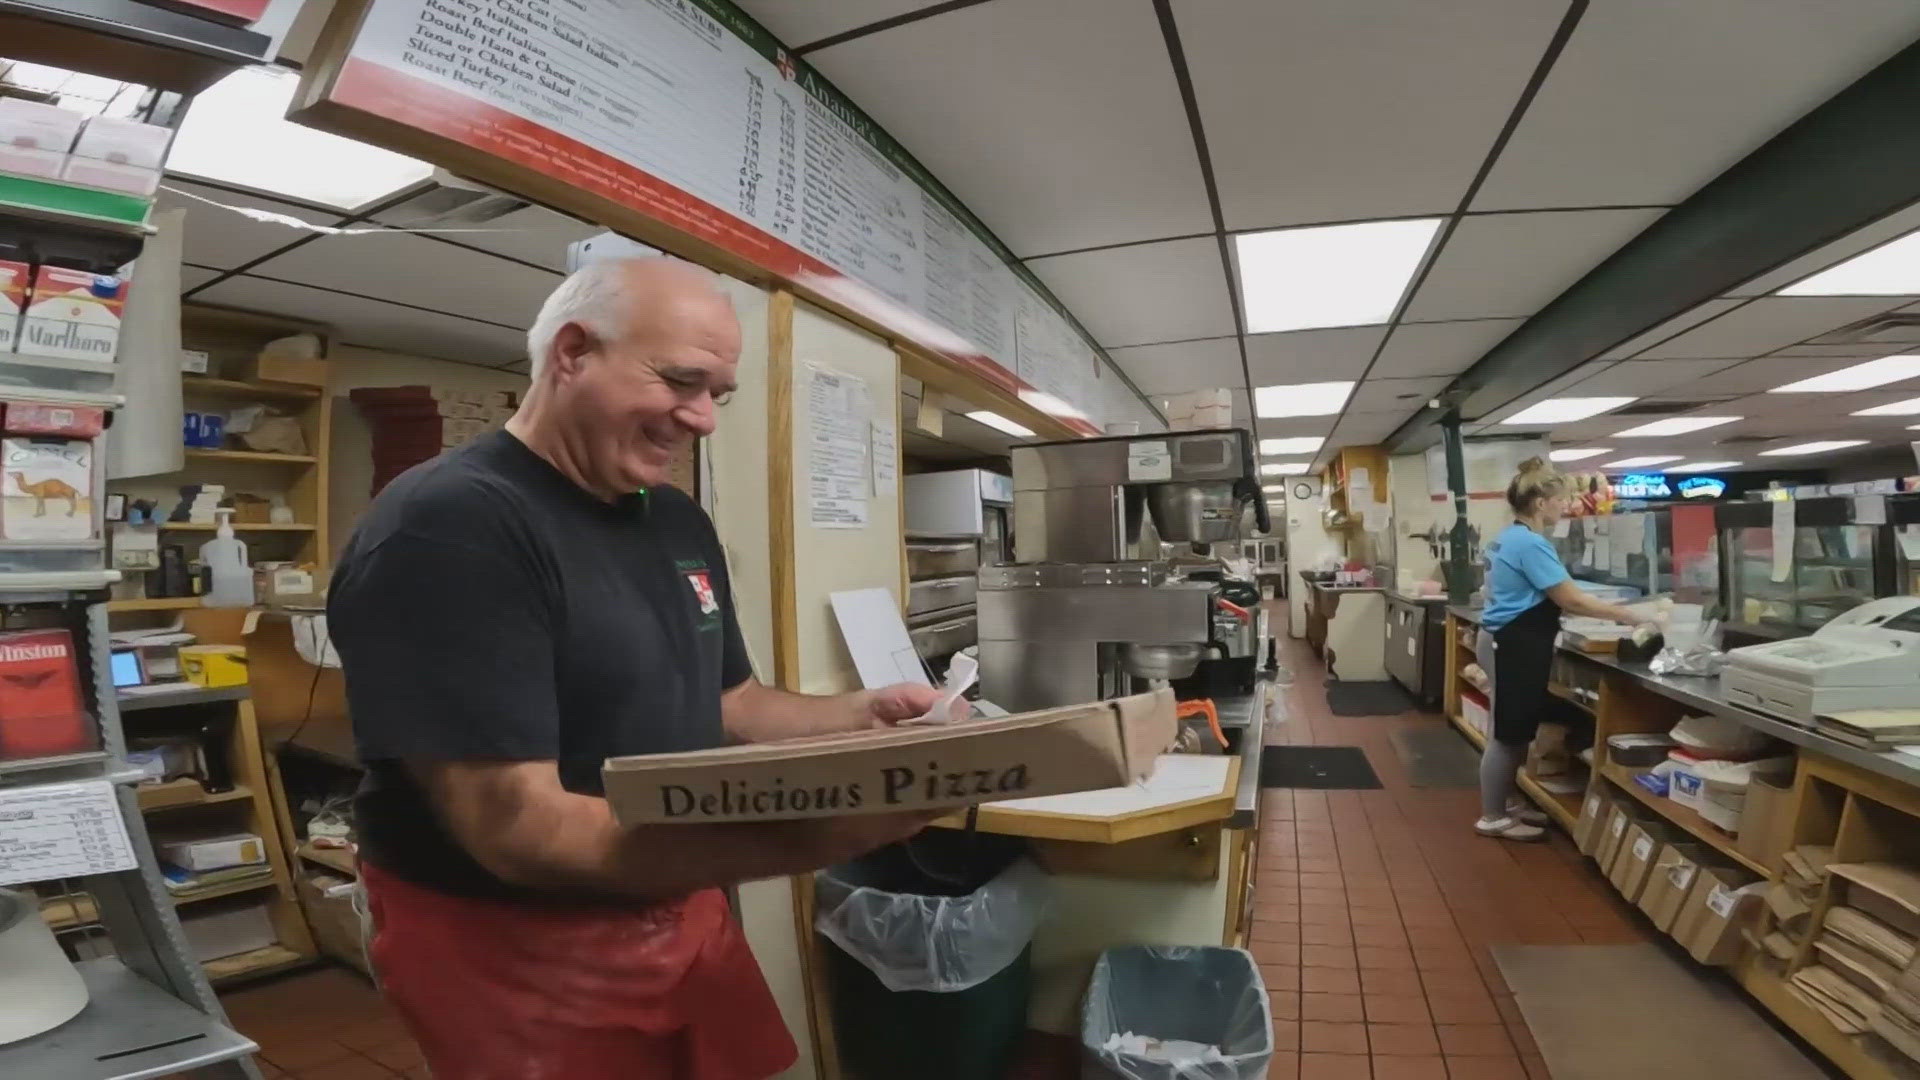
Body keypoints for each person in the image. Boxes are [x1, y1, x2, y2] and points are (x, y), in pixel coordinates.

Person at [327, 257, 950, 1079]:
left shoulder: (675, 520)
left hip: (673, 898)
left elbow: (732, 700)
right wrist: (815, 834)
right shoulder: (450, 527)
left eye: (716, 395)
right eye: (682, 382)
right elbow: (520, 830)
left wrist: (863, 716)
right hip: (516, 942)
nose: (703, 419)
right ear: (573, 352)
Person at [1473, 458, 1640, 841]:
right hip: (1511, 644)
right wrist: (1628, 617)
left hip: (1506, 641)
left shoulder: (1509, 537)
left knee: (1513, 729)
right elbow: (1572, 600)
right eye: (1560, 499)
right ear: (1538, 502)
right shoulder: (1530, 544)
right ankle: (1492, 815)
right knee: (1508, 735)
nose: (1564, 506)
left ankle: (1506, 802)